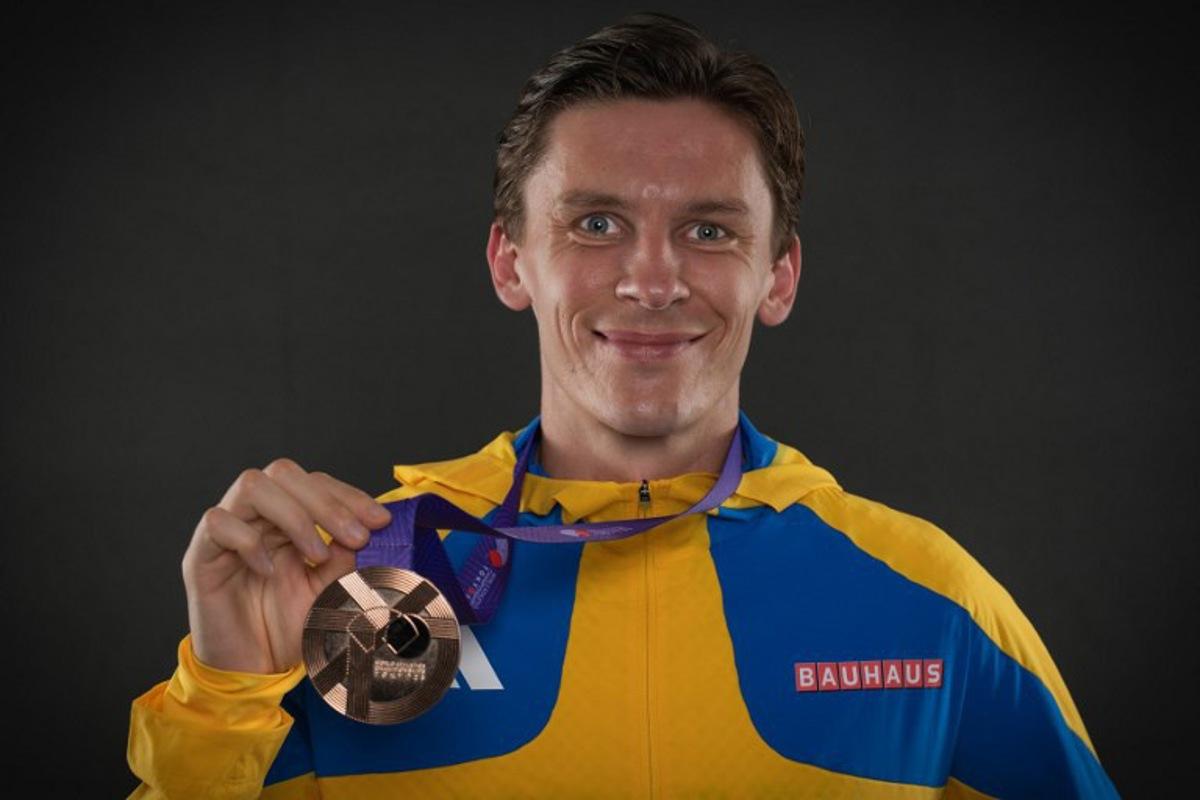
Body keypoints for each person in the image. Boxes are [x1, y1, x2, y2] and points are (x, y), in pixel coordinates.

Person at [127, 12, 1118, 799]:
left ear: (780, 276)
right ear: (512, 261)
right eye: (596, 222)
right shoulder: (360, 579)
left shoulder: (933, 600)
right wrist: (227, 689)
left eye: (710, 229)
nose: (652, 279)